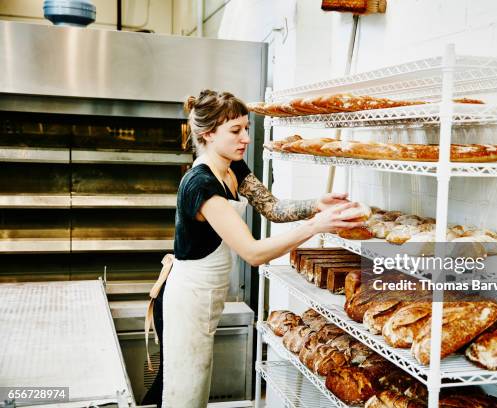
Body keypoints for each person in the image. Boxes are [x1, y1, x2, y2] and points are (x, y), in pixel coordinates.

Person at [141, 90, 365, 407]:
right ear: (208, 134)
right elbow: (253, 253)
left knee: (196, 387)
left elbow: (272, 207)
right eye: (235, 131)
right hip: (187, 299)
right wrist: (316, 226)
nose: (246, 138)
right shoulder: (200, 185)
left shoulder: (234, 168)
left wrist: (316, 205)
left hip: (207, 296)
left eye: (246, 128)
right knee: (184, 395)